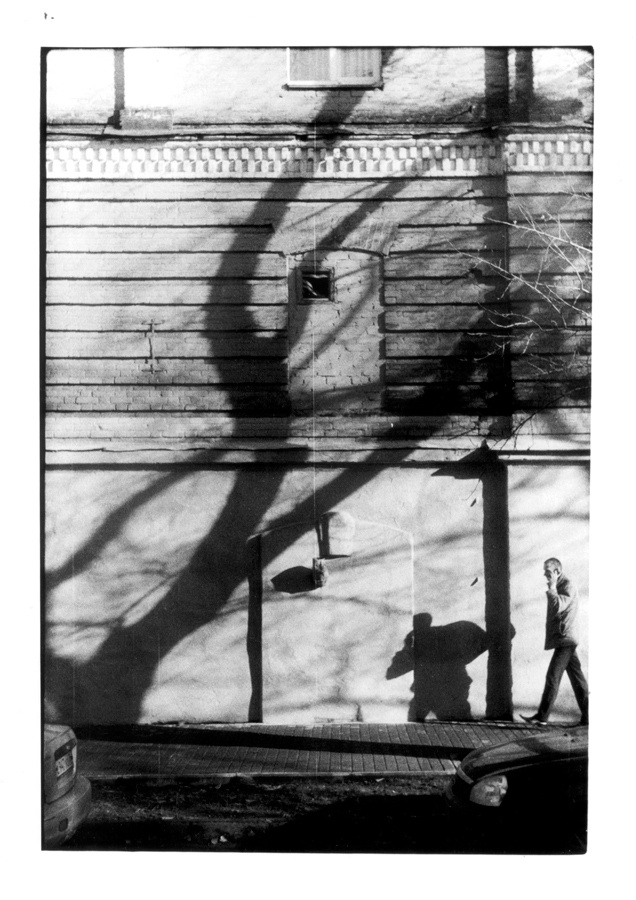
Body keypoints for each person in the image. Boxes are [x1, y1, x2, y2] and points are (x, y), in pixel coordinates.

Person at [522, 558, 588, 726]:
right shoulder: (562, 585)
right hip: (565, 638)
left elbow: (558, 606)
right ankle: (589, 716)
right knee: (577, 679)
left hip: (566, 639)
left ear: (557, 571)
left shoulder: (567, 586)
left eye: (548, 572)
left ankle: (542, 717)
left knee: (553, 677)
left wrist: (552, 588)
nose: (545, 575)